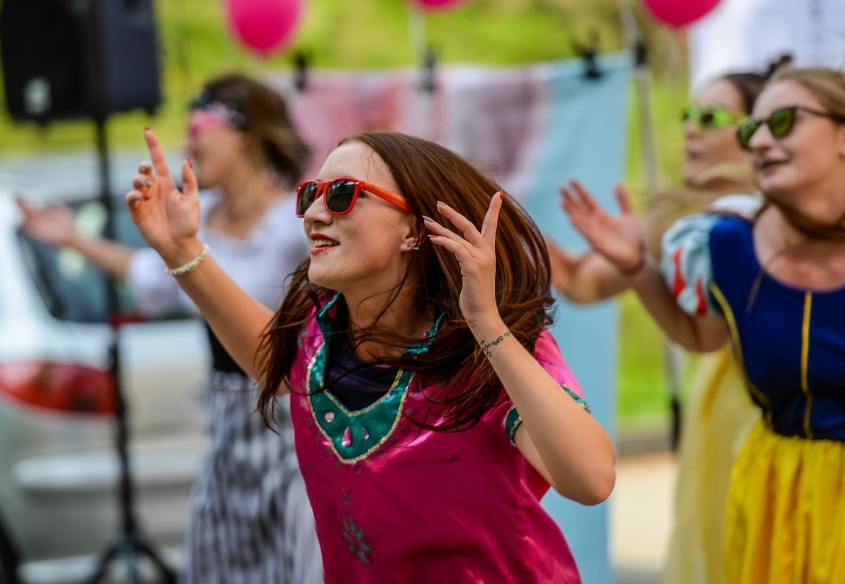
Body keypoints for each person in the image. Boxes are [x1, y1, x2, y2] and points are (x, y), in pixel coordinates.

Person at [124, 128, 616, 582]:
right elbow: (271, 359)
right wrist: (181, 249)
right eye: (310, 195)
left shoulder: (483, 353)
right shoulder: (320, 338)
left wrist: (487, 324)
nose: (315, 213)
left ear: (414, 230)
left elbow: (591, 479)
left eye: (342, 195)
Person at [17, 73, 323, 583]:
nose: (188, 144)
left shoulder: (296, 224)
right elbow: (148, 277)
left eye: (198, 131)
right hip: (228, 428)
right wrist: (70, 238)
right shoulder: (199, 228)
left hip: (293, 427)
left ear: (241, 132)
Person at [559, 66, 845, 584]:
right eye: (751, 130)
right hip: (773, 487)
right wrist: (633, 267)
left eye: (782, 122)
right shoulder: (724, 245)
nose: (761, 140)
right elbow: (698, 335)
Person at [549, 71, 766, 584]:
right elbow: (581, 281)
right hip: (722, 407)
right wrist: (509, 232)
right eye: (687, 116)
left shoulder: (799, 215)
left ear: (760, 129)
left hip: (777, 408)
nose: (690, 129)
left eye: (709, 118)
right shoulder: (676, 219)